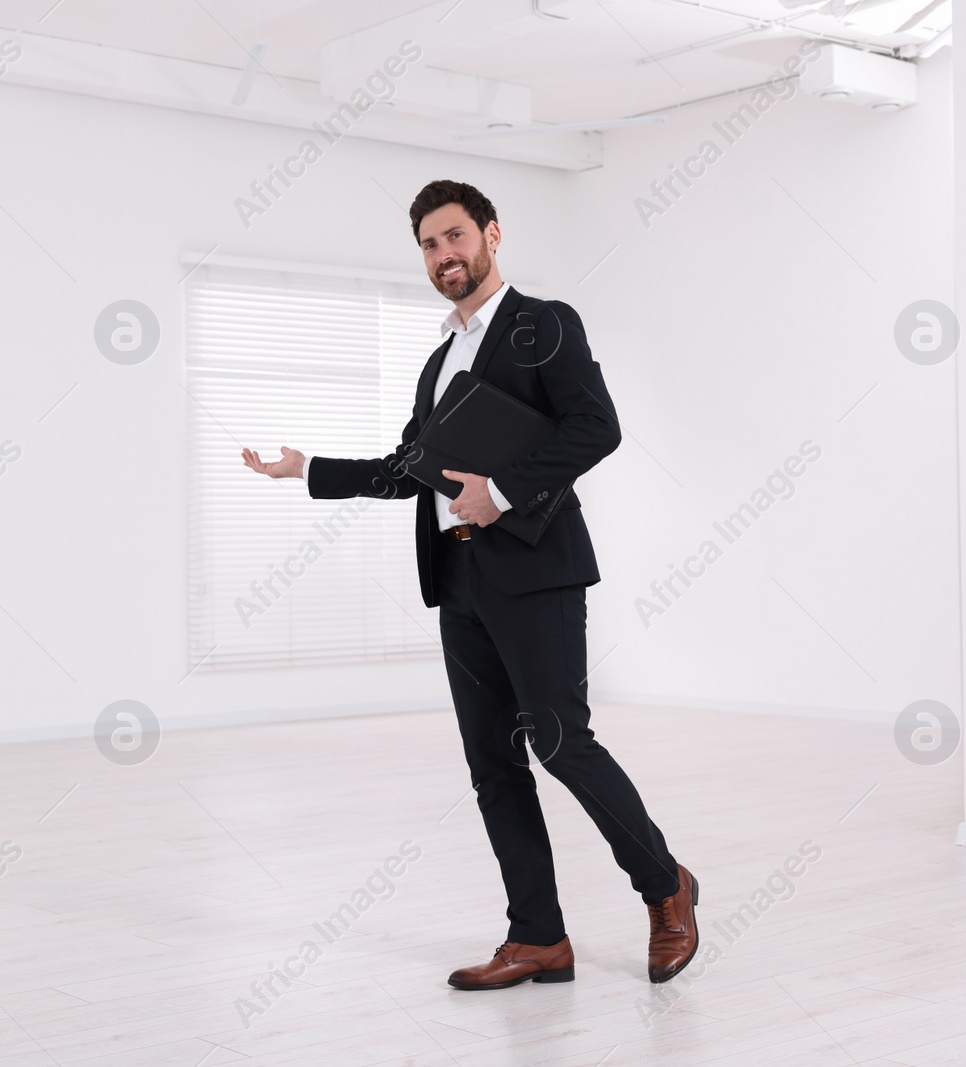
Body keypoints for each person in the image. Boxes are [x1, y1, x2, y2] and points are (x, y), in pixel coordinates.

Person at [241, 179, 698, 990]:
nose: (443, 255)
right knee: (492, 762)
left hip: (535, 570)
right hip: (459, 578)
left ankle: (665, 887)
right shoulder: (436, 360)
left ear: (491, 234)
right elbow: (406, 469)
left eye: (454, 236)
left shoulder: (543, 324)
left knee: (562, 743)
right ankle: (538, 937)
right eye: (427, 244)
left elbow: (598, 425)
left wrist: (505, 489)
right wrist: (306, 468)